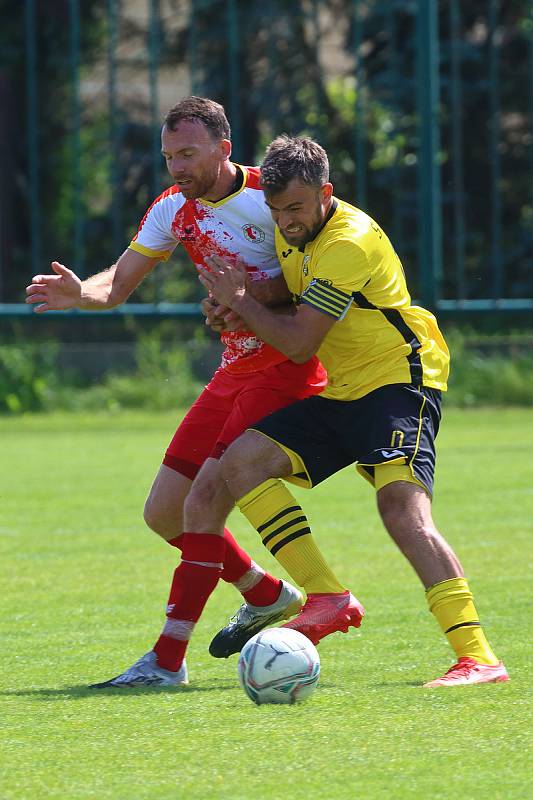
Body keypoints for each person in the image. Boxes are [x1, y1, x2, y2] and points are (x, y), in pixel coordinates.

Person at [25, 99, 358, 688]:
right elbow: (118, 283)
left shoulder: (272, 194)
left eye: (187, 153)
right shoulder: (172, 210)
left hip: (285, 367)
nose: (176, 166)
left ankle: (166, 662)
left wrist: (247, 294)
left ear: (223, 149)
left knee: (204, 501)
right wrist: (85, 293)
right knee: (164, 514)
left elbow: (318, 269)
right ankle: (267, 593)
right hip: (234, 370)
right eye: (168, 156)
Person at [189, 134, 509, 688]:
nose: (285, 221)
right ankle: (327, 596)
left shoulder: (349, 242)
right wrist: (235, 307)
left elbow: (298, 342)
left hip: (397, 381)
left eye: (295, 209)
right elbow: (291, 299)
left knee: (402, 512)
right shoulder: (293, 230)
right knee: (240, 465)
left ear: (324, 193)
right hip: (340, 390)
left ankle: (478, 657)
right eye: (276, 209)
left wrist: (241, 301)